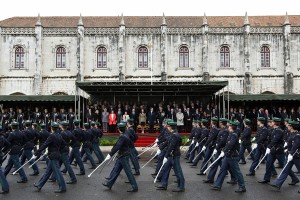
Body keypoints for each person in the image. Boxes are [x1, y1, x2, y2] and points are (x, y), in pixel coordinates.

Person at [211, 121, 246, 193]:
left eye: (229, 126)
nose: (228, 127)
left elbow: (231, 145)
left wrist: (224, 151)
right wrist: (223, 150)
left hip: (232, 156)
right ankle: (217, 185)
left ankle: (242, 187)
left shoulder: (234, 135)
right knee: (222, 170)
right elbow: (227, 145)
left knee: (237, 172)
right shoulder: (231, 134)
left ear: (231, 127)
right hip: (228, 156)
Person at [102, 122, 138, 192]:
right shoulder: (126, 133)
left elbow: (117, 146)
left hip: (123, 156)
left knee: (128, 172)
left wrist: (110, 154)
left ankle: (135, 187)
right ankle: (109, 183)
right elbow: (132, 139)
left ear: (119, 129)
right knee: (116, 170)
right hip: (122, 155)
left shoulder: (122, 136)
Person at [33, 122, 67, 193]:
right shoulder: (59, 135)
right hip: (56, 154)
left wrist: (36, 152)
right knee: (47, 172)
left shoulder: (52, 136)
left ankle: (62, 187)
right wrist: (58, 150)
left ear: (51, 128)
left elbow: (45, 145)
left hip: (53, 155)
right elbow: (64, 144)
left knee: (57, 172)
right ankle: (39, 184)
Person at [270, 120, 300, 191]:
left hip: (296, 156)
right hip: (289, 155)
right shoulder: (291, 134)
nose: (287, 127)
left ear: (291, 127)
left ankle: (294, 180)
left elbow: (296, 145)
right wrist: (285, 147)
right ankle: (278, 184)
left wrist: (291, 154)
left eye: (289, 126)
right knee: (285, 169)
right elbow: (290, 144)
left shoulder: (297, 135)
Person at [156, 121, 185, 192]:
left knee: (178, 171)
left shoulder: (175, 135)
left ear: (171, 127)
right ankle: (163, 184)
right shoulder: (172, 134)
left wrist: (166, 156)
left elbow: (171, 146)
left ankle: (181, 186)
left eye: (168, 126)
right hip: (171, 155)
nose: (167, 127)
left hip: (174, 155)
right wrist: (160, 148)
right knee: (165, 169)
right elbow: (167, 142)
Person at [258, 117, 285, 184]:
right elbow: (269, 139)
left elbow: (275, 140)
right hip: (273, 151)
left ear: (275, 123)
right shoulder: (273, 130)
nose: (271, 122)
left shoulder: (279, 131)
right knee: (268, 163)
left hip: (279, 151)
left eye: (272, 122)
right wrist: (268, 147)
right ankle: (266, 178)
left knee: (285, 166)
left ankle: (294, 178)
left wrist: (269, 147)